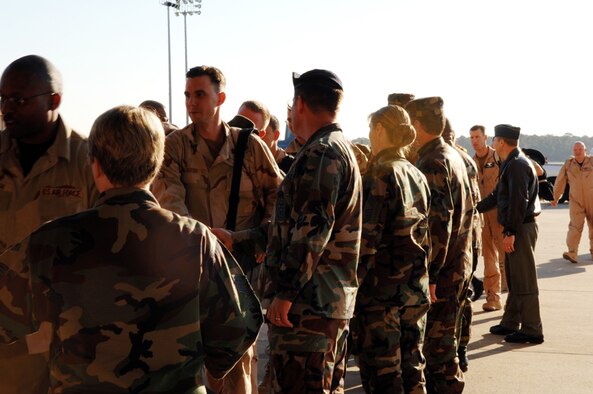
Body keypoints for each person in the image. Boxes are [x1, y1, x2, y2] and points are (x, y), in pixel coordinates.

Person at [0, 105, 262, 392]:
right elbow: (239, 328)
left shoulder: (50, 241)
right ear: (158, 162)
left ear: (95, 165)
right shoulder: (195, 239)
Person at [151, 65, 282, 394]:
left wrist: (247, 239)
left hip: (237, 281)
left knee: (238, 373)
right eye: (187, 95)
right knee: (189, 374)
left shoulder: (249, 148)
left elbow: (280, 202)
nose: (191, 102)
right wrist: (204, 240)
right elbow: (170, 202)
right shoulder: (176, 147)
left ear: (220, 98)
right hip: (191, 277)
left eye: (199, 94)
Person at [0, 54, 99, 394]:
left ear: (54, 100)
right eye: (3, 99)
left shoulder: (87, 160)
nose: (7, 108)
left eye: (19, 100)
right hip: (8, 339)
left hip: (69, 338)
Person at [264, 69, 362, 394]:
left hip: (309, 310)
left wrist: (285, 293)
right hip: (326, 304)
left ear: (300, 103)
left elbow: (311, 230)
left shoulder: (321, 153)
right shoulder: (337, 147)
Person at [353, 105, 430, 393]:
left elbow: (366, 242)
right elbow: (426, 236)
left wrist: (351, 288)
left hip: (381, 295)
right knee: (412, 370)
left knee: (383, 375)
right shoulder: (415, 173)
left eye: (372, 129)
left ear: (380, 130)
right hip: (414, 288)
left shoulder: (380, 175)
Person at [405, 97, 473, 393]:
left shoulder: (432, 161)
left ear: (418, 125)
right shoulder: (452, 155)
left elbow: (437, 226)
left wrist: (430, 274)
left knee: (439, 353)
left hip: (443, 272)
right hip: (459, 263)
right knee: (445, 346)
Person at [477, 124, 544, 344]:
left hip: (520, 228)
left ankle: (532, 329)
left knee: (524, 280)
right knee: (515, 278)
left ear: (501, 142)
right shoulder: (512, 163)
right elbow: (498, 195)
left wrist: (510, 232)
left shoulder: (516, 165)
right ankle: (511, 322)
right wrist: (474, 208)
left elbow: (518, 201)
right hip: (519, 227)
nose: (493, 143)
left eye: (495, 139)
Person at [443, 119, 481, 373]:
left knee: (450, 300)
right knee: (464, 295)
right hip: (471, 236)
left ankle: (453, 351)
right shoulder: (465, 158)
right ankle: (462, 349)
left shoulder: (443, 159)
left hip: (456, 239)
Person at [469, 125, 506, 304]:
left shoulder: (499, 158)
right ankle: (493, 297)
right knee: (489, 258)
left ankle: (515, 300)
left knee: (508, 259)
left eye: (477, 137)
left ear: (485, 137)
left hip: (500, 215)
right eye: (472, 138)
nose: (474, 141)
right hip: (482, 218)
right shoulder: (470, 163)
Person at [551, 141, 593, 264]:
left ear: (585, 150)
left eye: (580, 149)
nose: (577, 152)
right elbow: (560, 181)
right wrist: (555, 197)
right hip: (576, 200)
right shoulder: (569, 164)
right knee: (574, 227)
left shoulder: (591, 161)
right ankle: (572, 252)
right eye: (575, 150)